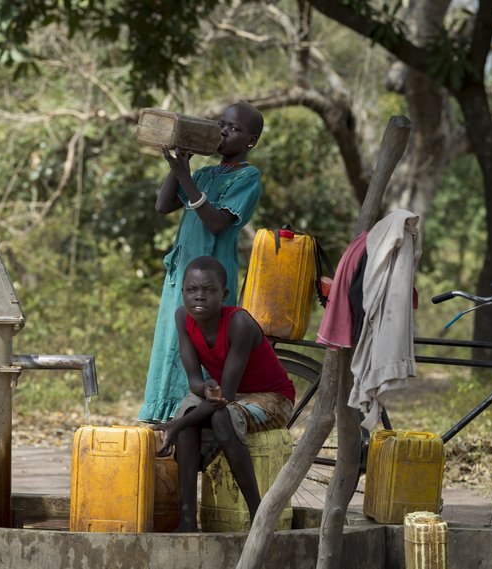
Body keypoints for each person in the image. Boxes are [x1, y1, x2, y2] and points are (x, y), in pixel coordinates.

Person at [138, 102, 265, 424]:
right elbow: (163, 205)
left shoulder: (248, 176)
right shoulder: (205, 173)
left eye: (234, 128)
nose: (224, 131)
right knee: (173, 339)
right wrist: (179, 165)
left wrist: (185, 176)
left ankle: (197, 414)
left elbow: (217, 223)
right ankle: (162, 413)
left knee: (204, 342)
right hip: (182, 274)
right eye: (221, 124)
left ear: (251, 141)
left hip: (211, 279)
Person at [152, 256, 294, 532]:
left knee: (217, 419)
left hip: (271, 397)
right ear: (182, 293)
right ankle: (187, 520)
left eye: (209, 290)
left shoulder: (238, 323)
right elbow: (195, 380)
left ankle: (258, 515)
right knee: (190, 416)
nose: (199, 297)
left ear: (224, 294)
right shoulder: (182, 317)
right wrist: (203, 390)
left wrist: (176, 425)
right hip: (228, 394)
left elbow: (225, 398)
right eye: (192, 290)